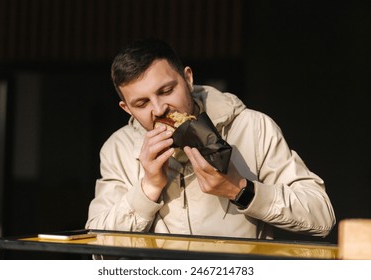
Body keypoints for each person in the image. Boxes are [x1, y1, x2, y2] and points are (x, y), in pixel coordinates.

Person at [85, 38, 336, 239]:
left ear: (188, 79)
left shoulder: (253, 127)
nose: (159, 109)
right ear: (126, 108)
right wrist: (148, 188)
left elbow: (321, 216)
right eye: (141, 103)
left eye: (167, 90)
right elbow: (97, 246)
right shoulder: (118, 148)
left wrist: (241, 190)